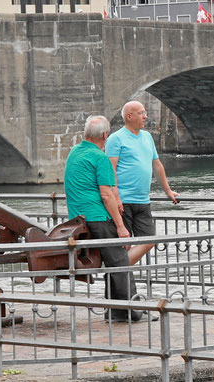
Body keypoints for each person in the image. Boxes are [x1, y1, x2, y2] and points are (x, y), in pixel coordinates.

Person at [64, 115, 141, 322]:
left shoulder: (74, 152)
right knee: (120, 263)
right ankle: (132, 311)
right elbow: (106, 195)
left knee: (112, 263)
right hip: (99, 216)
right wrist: (120, 225)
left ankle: (114, 311)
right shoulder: (100, 158)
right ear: (105, 135)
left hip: (78, 218)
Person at [106, 101, 179, 266]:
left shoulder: (147, 137)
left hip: (143, 200)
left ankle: (118, 269)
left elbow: (157, 165)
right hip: (123, 201)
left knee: (148, 240)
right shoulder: (115, 139)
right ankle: (119, 280)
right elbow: (111, 170)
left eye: (145, 112)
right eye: (141, 113)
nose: (146, 116)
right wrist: (115, 197)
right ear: (130, 117)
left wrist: (168, 191)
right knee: (124, 245)